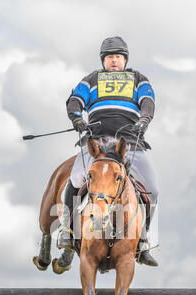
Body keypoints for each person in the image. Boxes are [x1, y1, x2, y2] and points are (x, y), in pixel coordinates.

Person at [58, 36, 158, 266]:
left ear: (125, 60)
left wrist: (143, 121)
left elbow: (148, 103)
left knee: (153, 189)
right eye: (110, 57)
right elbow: (75, 101)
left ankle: (142, 240)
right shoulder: (92, 78)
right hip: (96, 141)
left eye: (118, 57)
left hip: (129, 142)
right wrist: (77, 120)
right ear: (104, 60)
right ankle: (67, 230)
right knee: (74, 180)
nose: (114, 61)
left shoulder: (139, 78)